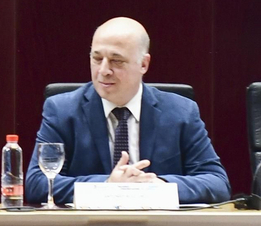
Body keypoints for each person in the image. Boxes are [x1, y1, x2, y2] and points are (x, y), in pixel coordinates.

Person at [24, 18, 229, 205]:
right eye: (97, 58)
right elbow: (37, 183)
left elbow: (217, 182)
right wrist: (107, 186)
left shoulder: (181, 112)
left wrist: (160, 185)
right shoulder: (62, 110)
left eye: (116, 60)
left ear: (143, 64)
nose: (103, 70)